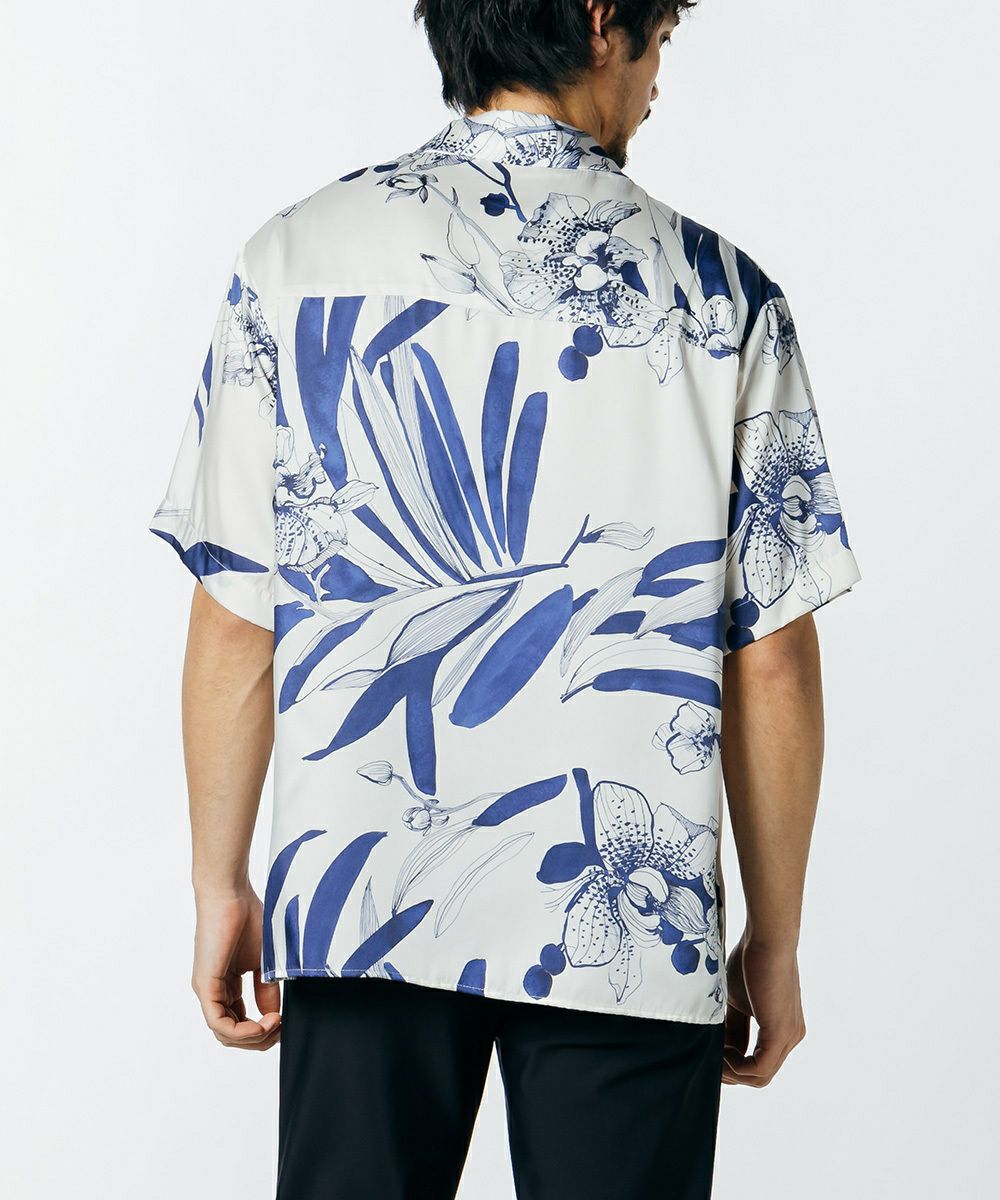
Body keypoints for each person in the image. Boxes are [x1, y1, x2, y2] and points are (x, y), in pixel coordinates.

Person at [146, 1, 862, 1196]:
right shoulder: (722, 299)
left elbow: (236, 612)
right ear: (601, 21)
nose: (655, 86)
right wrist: (774, 942)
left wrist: (221, 884)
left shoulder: (292, 262)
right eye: (660, 44)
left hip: (361, 898)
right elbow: (771, 659)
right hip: (630, 925)